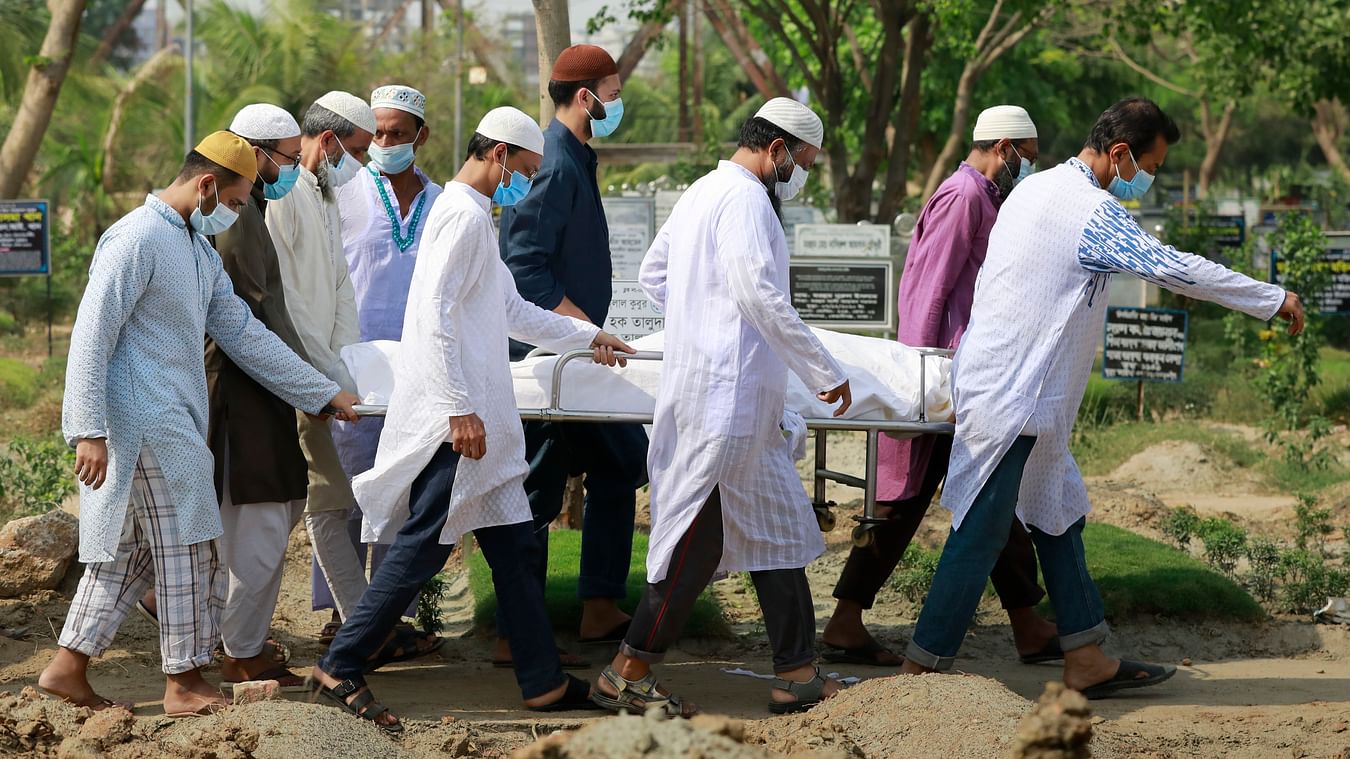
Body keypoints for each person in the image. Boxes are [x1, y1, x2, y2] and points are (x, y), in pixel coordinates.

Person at [899, 98, 1305, 698]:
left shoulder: (1034, 192)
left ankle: (1086, 657)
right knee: (981, 529)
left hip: (1022, 394)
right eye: (1151, 167)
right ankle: (919, 672)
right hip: (1016, 397)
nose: (1150, 179)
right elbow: (1172, 268)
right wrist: (1269, 297)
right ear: (1120, 154)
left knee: (1059, 515)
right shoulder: (1090, 211)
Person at [309, 107, 634, 733]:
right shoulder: (461, 214)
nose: (528, 185)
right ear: (500, 155)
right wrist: (459, 407)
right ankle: (340, 663)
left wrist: (588, 335)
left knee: (513, 548)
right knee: (423, 547)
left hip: (481, 418)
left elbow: (512, 310)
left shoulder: (472, 214)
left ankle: (541, 681)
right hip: (459, 420)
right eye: (528, 172)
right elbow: (434, 314)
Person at [38, 131, 359, 716]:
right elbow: (91, 334)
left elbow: (243, 333)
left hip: (173, 421)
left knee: (130, 558)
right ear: (207, 184)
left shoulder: (196, 249)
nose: (234, 213)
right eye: (234, 202)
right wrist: (88, 430)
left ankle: (66, 668)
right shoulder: (136, 238)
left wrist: (319, 392)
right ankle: (183, 680)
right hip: (146, 425)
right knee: (194, 548)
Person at [592, 99, 851, 717]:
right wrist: (822, 369)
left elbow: (655, 274)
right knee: (698, 541)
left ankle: (797, 673)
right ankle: (627, 673)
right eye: (805, 162)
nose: (803, 174)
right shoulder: (745, 199)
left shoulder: (703, 190)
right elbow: (759, 294)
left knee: (780, 534)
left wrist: (701, 319)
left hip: (726, 396)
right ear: (778, 148)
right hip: (725, 402)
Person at [822, 105, 1059, 667]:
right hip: (946, 377)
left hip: (964, 374)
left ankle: (850, 620)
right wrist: (921, 375)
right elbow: (927, 290)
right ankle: (1024, 625)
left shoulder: (983, 196)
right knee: (950, 496)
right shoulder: (964, 196)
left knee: (972, 497)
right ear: (1003, 148)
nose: (1028, 166)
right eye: (1026, 156)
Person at [265, 91, 429, 660]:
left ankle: (366, 626)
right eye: (361, 148)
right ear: (331, 142)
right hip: (300, 372)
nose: (367, 158)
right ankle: (361, 629)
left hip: (346, 372)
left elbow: (337, 293)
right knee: (322, 504)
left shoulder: (324, 192)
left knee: (339, 500)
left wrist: (346, 368)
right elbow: (287, 303)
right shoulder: (287, 198)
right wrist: (321, 381)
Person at [498, 43, 647, 661]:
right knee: (537, 489)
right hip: (548, 361)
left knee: (621, 464)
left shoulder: (575, 156)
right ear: (586, 98)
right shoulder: (554, 164)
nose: (618, 105)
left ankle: (599, 604)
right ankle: (516, 632)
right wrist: (586, 334)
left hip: (577, 356)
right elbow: (525, 271)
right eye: (614, 96)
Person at [313, 84, 444, 643]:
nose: (386, 144)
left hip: (418, 369)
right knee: (346, 489)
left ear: (421, 135)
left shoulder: (444, 203)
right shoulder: (344, 191)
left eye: (398, 133)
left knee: (402, 490)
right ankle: (343, 613)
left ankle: (395, 616)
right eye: (379, 135)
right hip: (352, 365)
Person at [201, 104, 316, 690]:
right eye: (290, 158)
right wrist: (315, 386)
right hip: (240, 390)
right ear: (256, 153)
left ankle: (237, 640)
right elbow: (248, 320)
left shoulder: (250, 209)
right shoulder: (234, 217)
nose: (295, 168)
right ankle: (239, 652)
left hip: (263, 386)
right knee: (261, 521)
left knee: (273, 511)